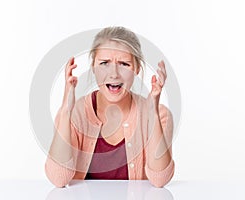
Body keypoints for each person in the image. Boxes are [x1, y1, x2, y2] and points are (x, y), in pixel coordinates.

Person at [45, 26, 175, 188]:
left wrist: (152, 113)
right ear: (93, 67)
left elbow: (159, 180)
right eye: (104, 63)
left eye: (124, 64)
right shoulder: (74, 113)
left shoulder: (161, 114)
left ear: (136, 69)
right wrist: (65, 112)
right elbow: (58, 179)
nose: (114, 74)